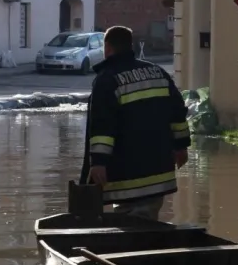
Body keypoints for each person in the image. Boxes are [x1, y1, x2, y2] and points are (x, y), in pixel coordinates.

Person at [80, 25, 190, 221]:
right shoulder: (158, 72)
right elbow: (177, 113)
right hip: (159, 173)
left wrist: (98, 163)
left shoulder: (107, 80)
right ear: (130, 46)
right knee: (148, 220)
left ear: (107, 48)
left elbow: (102, 127)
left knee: (128, 223)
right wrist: (181, 147)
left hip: (127, 175)